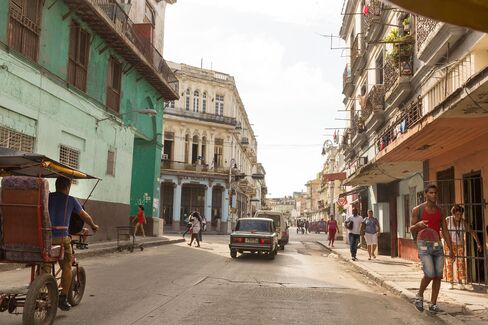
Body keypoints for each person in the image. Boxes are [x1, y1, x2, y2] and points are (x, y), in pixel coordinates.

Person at [45, 176, 99, 311]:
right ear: (67, 187)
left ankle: (43, 284)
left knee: (44, 263)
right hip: (61, 238)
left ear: (57, 185)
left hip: (45, 238)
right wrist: (93, 225)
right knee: (67, 265)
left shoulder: (47, 197)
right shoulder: (71, 200)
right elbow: (84, 216)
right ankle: (63, 297)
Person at [410, 184, 453, 315]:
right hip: (423, 245)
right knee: (429, 274)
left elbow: (444, 230)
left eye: (435, 193)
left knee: (438, 276)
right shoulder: (418, 210)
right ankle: (419, 296)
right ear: (426, 194)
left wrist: (451, 248)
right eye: (431, 193)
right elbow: (411, 229)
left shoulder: (440, 211)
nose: (433, 195)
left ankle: (433, 304)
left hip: (437, 245)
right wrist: (417, 225)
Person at [444, 204, 482, 290]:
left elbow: (472, 232)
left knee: (461, 263)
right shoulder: (448, 220)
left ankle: (460, 281)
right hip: (449, 244)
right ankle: (450, 282)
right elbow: (442, 231)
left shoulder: (463, 222)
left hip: (460, 244)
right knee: (449, 262)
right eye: (457, 214)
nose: (459, 216)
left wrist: (478, 243)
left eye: (461, 214)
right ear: (453, 214)